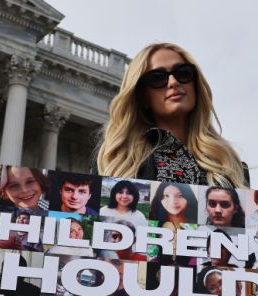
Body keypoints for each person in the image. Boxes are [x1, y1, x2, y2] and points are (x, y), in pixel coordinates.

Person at [95, 42, 248, 187]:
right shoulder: (118, 162)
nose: (173, 82)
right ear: (142, 97)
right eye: (157, 78)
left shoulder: (230, 166)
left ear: (195, 85)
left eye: (183, 73)